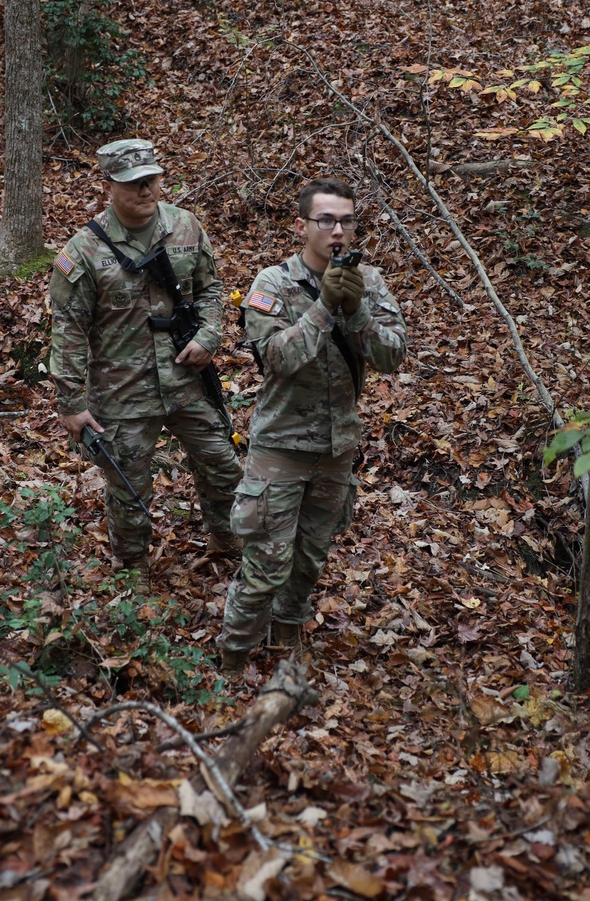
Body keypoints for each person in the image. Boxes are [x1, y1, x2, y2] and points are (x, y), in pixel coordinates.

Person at [217, 176, 407, 670]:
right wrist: (324, 307)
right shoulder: (272, 284)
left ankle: (285, 641)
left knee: (307, 562)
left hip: (335, 449)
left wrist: (356, 308)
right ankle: (233, 659)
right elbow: (277, 359)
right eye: (326, 220)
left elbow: (393, 357)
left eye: (346, 220)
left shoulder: (372, 283)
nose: (337, 231)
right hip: (280, 449)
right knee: (265, 566)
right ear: (302, 226)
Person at [48, 138, 242, 589]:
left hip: (188, 381)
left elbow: (212, 290)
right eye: (134, 183)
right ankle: (131, 572)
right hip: (122, 392)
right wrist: (71, 403)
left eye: (151, 180)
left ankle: (229, 539)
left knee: (222, 464)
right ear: (109, 186)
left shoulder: (186, 226)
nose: (146, 190)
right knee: (129, 490)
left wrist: (210, 336)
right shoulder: (82, 252)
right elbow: (69, 331)